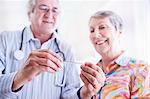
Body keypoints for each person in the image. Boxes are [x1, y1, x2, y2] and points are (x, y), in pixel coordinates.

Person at [0, 0, 82, 98]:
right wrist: (20, 77)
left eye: (55, 10)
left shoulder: (66, 49)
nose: (49, 14)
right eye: (44, 8)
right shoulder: (5, 39)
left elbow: (70, 92)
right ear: (30, 13)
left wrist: (84, 93)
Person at [78, 10, 150, 98]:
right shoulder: (92, 71)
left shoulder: (140, 69)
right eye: (92, 30)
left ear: (118, 32)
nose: (95, 35)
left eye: (102, 27)